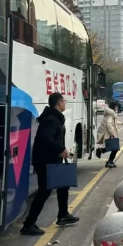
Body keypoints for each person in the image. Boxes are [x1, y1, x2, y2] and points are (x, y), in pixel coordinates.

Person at [22, 93, 79, 236]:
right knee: (44, 191)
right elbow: (45, 138)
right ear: (59, 103)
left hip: (52, 159)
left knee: (63, 184)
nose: (65, 103)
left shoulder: (54, 117)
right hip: (44, 161)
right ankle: (28, 224)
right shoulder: (51, 120)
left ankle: (63, 215)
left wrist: (61, 150)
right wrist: (61, 148)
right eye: (64, 101)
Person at [95, 101, 119, 168]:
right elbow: (109, 124)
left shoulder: (110, 114)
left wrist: (121, 123)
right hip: (108, 134)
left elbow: (113, 122)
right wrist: (112, 133)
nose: (117, 107)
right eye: (116, 106)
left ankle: (100, 151)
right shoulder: (111, 115)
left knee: (112, 147)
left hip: (107, 133)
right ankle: (109, 162)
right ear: (114, 107)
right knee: (115, 148)